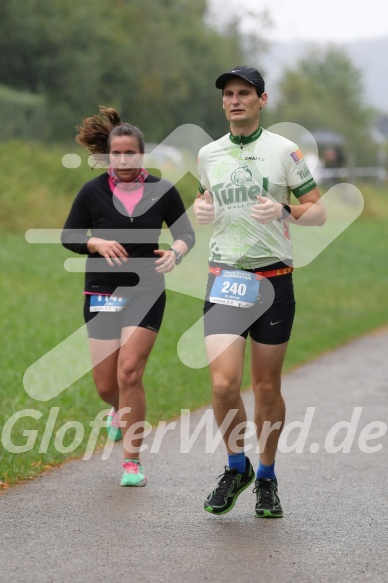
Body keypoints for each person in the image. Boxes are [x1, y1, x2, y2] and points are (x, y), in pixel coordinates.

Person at [194, 66, 326, 517]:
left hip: (273, 282)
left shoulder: (285, 152)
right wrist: (201, 208)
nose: (235, 100)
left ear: (262, 100)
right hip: (225, 278)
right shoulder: (208, 154)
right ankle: (237, 467)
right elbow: (204, 200)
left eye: (244, 93)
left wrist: (286, 209)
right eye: (228, 93)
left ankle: (266, 476)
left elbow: (319, 211)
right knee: (222, 383)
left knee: (266, 388)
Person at [61, 107, 195, 487]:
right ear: (107, 155)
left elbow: (186, 233)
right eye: (116, 153)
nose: (123, 159)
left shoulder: (163, 190)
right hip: (102, 292)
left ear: (141, 155)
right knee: (107, 386)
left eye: (130, 153)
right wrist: (95, 242)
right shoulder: (92, 192)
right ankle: (118, 413)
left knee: (129, 373)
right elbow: (69, 235)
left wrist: (176, 252)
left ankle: (132, 461)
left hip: (147, 291)